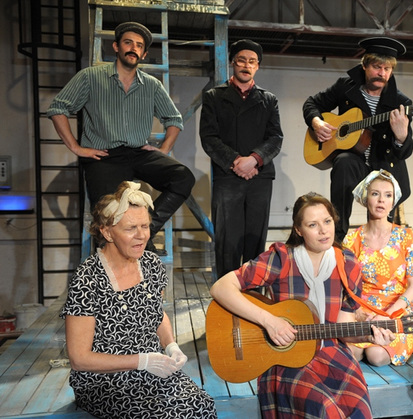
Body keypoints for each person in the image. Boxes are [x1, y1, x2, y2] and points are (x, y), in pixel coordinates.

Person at [209, 192, 395, 418]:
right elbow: (221, 287)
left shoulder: (347, 263)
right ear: (298, 230)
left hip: (332, 354)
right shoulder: (281, 258)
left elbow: (342, 327)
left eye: (327, 221)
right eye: (312, 225)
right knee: (325, 409)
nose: (323, 230)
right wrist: (269, 321)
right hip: (286, 357)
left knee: (359, 409)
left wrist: (370, 336)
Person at [61, 181, 216, 418]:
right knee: (166, 414)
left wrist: (171, 345)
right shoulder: (87, 279)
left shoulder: (151, 264)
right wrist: (141, 361)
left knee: (202, 405)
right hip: (104, 382)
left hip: (153, 369)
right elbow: (79, 359)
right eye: (130, 228)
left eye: (145, 226)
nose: (141, 235)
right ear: (107, 232)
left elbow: (157, 313)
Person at [47, 21, 195, 255]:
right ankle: (117, 266)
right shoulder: (90, 77)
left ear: (143, 54)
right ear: (116, 47)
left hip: (138, 153)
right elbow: (58, 109)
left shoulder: (152, 85)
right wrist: (76, 148)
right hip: (104, 156)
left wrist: (163, 149)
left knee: (183, 177)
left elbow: (174, 120)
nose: (133, 48)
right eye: (128, 42)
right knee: (108, 217)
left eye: (139, 45)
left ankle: (146, 232)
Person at [303, 36, 413, 241]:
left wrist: (401, 137)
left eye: (387, 69)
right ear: (364, 65)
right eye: (377, 67)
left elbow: (405, 151)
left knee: (382, 193)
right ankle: (337, 237)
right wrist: (317, 123)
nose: (382, 73)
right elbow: (312, 104)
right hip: (355, 161)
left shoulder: (400, 103)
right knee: (343, 162)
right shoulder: (346, 87)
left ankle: (380, 243)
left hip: (383, 166)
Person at [200, 39, 283, 277]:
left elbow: (275, 137)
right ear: (233, 63)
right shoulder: (214, 96)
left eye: (252, 62)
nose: (246, 66)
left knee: (256, 239)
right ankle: (226, 292)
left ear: (257, 66)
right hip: (228, 176)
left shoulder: (269, 99)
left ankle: (252, 290)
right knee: (227, 241)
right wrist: (236, 161)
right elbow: (209, 137)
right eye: (241, 60)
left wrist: (254, 159)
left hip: (260, 176)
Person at [343, 169, 413, 366]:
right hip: (363, 312)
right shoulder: (352, 239)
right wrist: (358, 312)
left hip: (396, 309)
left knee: (376, 355)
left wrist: (387, 315)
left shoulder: (406, 237)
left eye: (388, 195)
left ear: (393, 202)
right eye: (375, 194)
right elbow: (345, 285)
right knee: (350, 353)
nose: (381, 200)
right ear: (365, 198)